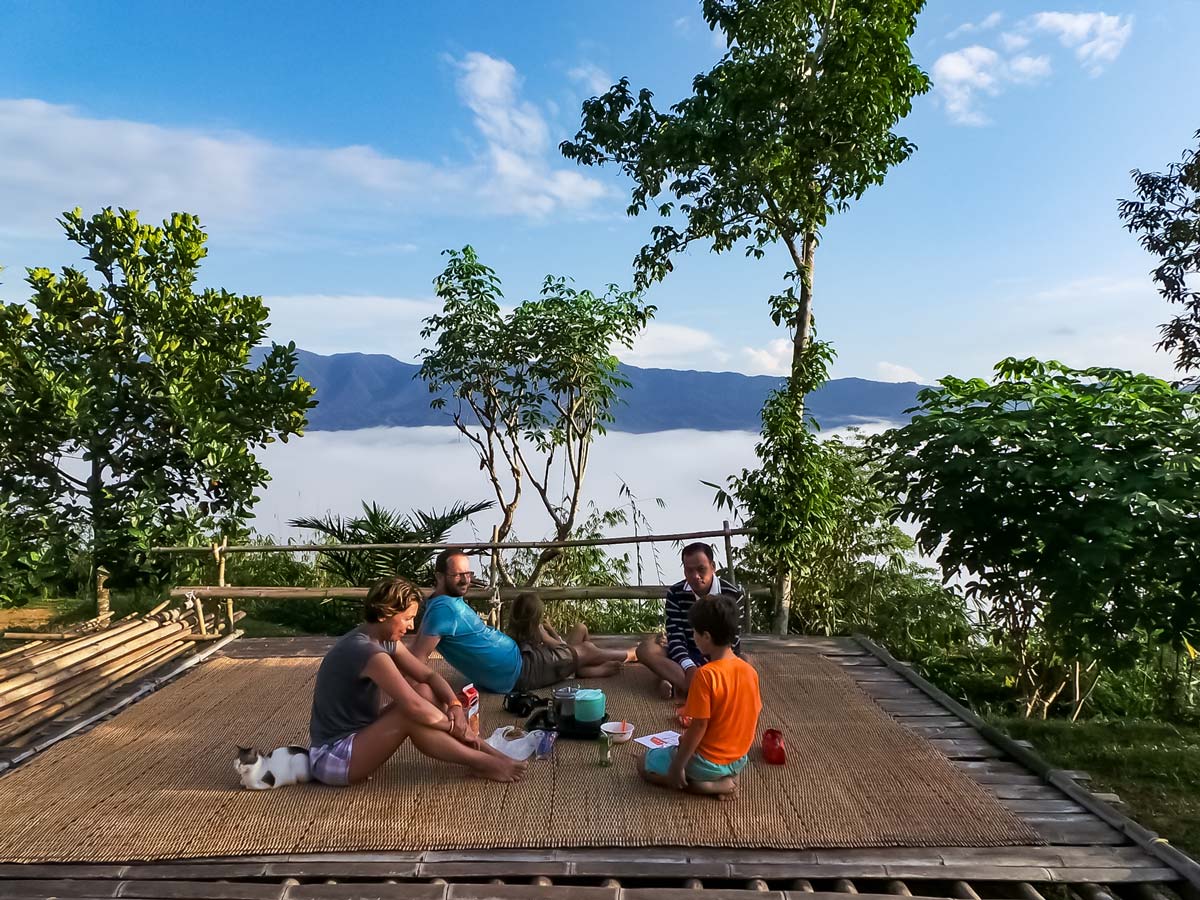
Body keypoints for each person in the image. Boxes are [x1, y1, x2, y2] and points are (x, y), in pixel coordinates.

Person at [307, 576, 526, 786]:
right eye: (407, 618)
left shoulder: (383, 640)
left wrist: (455, 706)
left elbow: (428, 676)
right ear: (384, 614)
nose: (412, 626)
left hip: (361, 734)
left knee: (424, 690)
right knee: (410, 713)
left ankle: (485, 753)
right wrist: (453, 726)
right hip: (332, 757)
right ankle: (484, 761)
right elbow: (412, 705)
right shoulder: (367, 651)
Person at [411, 549, 626, 692]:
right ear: (439, 577)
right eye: (457, 575)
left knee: (576, 648)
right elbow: (418, 658)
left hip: (518, 657)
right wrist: (410, 692)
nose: (466, 580)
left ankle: (577, 667)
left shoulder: (438, 604)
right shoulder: (443, 611)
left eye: (468, 573)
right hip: (518, 671)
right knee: (586, 648)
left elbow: (414, 650)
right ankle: (633, 654)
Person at [640, 593, 761, 798]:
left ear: (706, 637)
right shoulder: (749, 670)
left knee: (644, 763)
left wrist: (678, 766)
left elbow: (699, 726)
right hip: (739, 759)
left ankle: (707, 786)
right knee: (682, 746)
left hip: (708, 762)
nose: (693, 637)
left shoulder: (706, 675)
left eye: (695, 632)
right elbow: (754, 713)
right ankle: (728, 777)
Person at [636, 542, 745, 699]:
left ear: (713, 567)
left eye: (701, 569)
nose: (695, 576)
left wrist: (712, 668)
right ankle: (700, 688)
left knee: (746, 662)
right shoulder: (675, 593)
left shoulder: (732, 596)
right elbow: (676, 636)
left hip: (718, 657)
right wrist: (689, 666)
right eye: (689, 570)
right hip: (685, 653)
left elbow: (731, 643)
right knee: (646, 649)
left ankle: (678, 683)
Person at [507, 592, 636, 680]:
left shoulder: (525, 632)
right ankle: (628, 656)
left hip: (562, 655)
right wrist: (546, 637)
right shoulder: (528, 641)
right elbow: (563, 651)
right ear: (534, 621)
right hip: (561, 665)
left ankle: (586, 664)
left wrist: (551, 631)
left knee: (581, 627)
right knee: (588, 647)